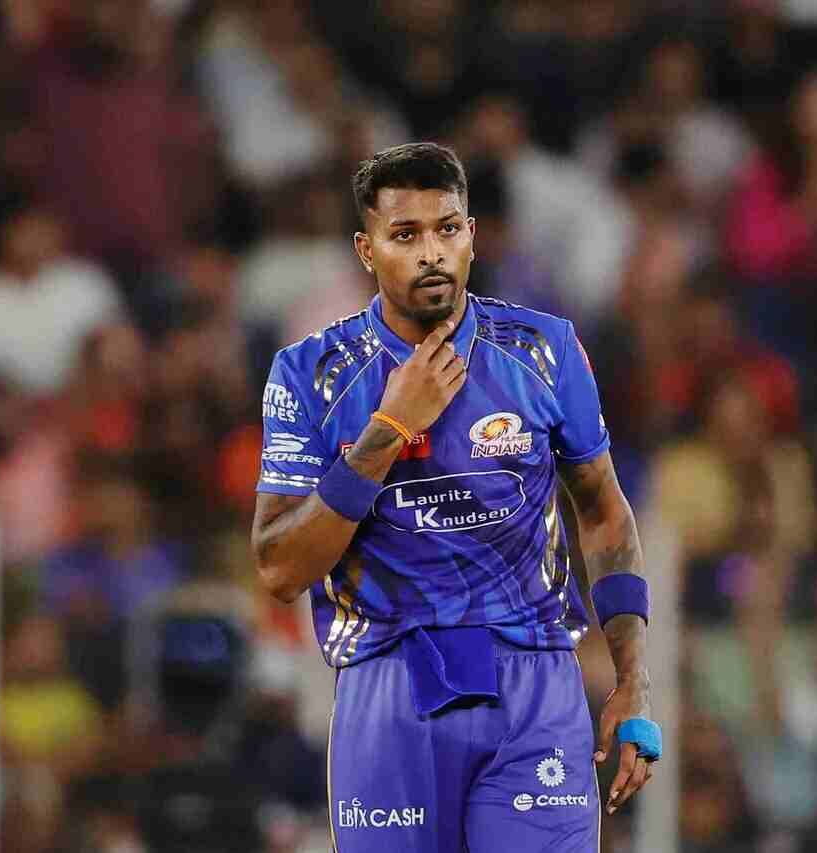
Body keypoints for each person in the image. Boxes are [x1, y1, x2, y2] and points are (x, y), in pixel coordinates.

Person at [250, 142, 661, 851]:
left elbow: (603, 512)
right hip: (388, 683)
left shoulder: (545, 350)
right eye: (405, 235)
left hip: (535, 684)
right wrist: (387, 430)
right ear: (367, 250)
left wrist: (632, 677)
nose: (431, 252)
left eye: (446, 229)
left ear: (471, 233)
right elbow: (281, 567)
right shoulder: (310, 372)